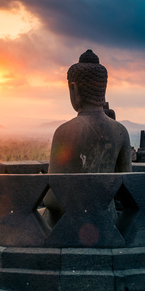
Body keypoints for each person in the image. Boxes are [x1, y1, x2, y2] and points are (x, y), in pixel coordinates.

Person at [44, 49, 131, 223]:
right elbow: (126, 192)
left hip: (69, 224)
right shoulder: (120, 132)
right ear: (102, 90)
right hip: (108, 223)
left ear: (74, 88)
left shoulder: (64, 132)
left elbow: (54, 199)